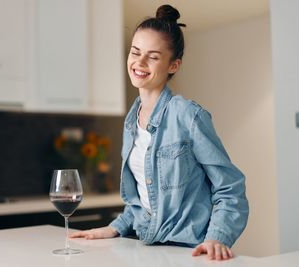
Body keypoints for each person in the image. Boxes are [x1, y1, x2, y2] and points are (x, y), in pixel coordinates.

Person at [70, 4, 249, 261]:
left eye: (153, 56)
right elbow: (144, 200)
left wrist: (216, 238)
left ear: (173, 65)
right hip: (148, 251)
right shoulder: (131, 122)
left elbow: (230, 188)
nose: (139, 62)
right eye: (135, 52)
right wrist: (114, 228)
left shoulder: (188, 115)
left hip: (190, 253)